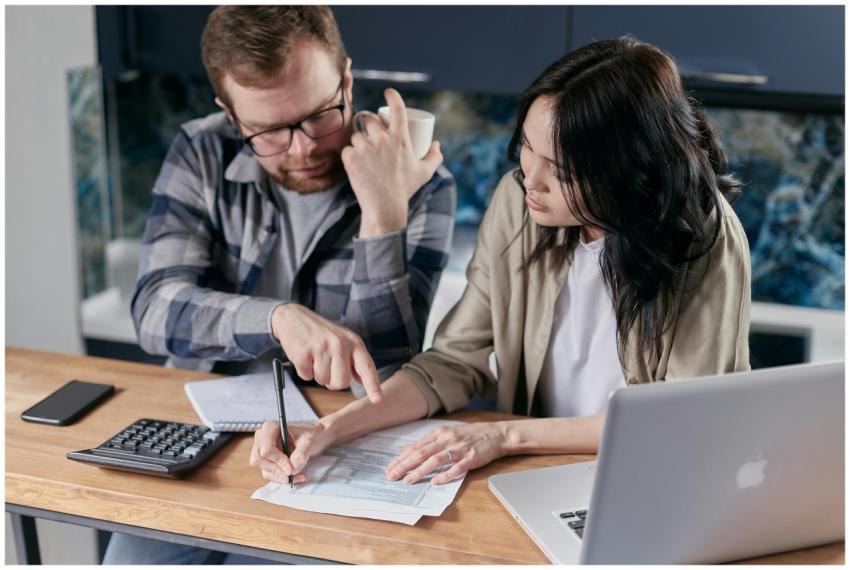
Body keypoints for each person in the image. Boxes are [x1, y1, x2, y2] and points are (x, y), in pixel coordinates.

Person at [250, 36, 751, 489]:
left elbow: (680, 419)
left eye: (560, 171)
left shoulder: (705, 238)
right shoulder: (518, 202)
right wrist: (329, 429)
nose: (529, 179)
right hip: (534, 475)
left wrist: (504, 436)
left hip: (648, 479)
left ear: (627, 172)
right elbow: (451, 362)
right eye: (528, 150)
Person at [104, 5, 456, 564]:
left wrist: (383, 215)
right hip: (202, 440)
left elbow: (389, 371)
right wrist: (276, 317)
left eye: (320, 114)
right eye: (269, 131)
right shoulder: (201, 150)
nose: (304, 147)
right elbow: (154, 311)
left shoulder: (418, 178)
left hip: (332, 448)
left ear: (346, 79)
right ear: (230, 115)